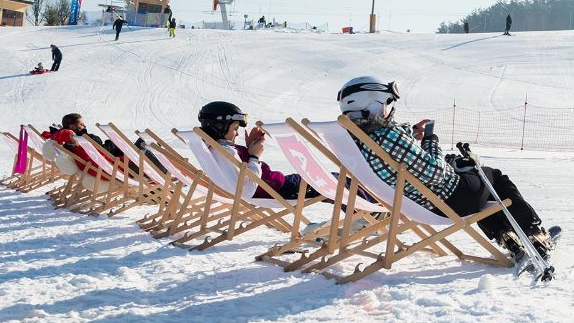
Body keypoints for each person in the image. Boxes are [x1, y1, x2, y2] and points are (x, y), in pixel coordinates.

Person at [336, 76, 555, 260]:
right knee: (492, 176)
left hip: (418, 203)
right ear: (372, 104)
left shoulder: (357, 140)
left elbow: (393, 155)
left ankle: (506, 236)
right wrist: (431, 140)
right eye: (386, 104)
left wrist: (411, 135)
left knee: (472, 175)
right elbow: (436, 173)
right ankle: (535, 233)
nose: (388, 109)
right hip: (449, 200)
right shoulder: (388, 136)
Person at [197, 101, 316, 200]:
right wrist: (254, 157)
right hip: (277, 188)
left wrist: (248, 151)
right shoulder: (225, 153)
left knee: (325, 181)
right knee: (329, 182)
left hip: (272, 184)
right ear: (219, 127)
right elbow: (245, 192)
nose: (238, 133)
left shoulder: (210, 148)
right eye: (235, 128)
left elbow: (239, 173)